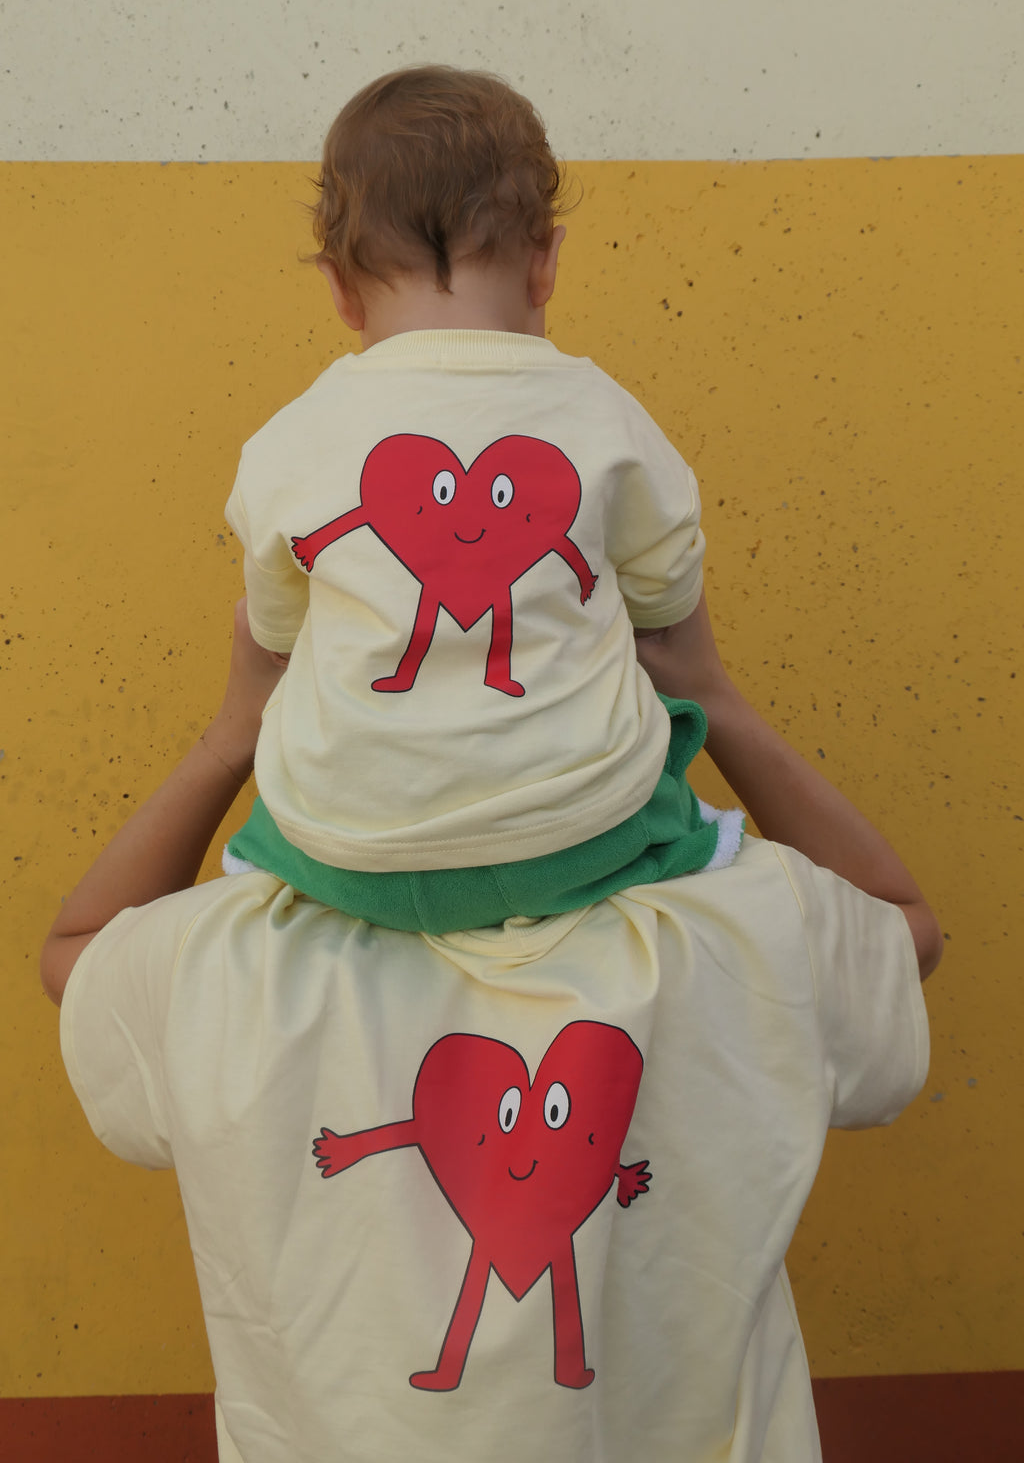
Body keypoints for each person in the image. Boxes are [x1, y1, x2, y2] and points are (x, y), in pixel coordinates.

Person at [42, 595, 942, 1463]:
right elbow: (902, 926)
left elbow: (73, 954)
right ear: (622, 723)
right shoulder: (730, 938)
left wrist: (232, 733)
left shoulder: (236, 963)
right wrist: (713, 696)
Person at [223, 64, 743, 935]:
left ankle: (267, 862)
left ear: (339, 289)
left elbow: (276, 632)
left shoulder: (288, 439)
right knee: (666, 765)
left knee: (287, 801)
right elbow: (664, 600)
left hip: (350, 857)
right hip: (578, 844)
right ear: (545, 262)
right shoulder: (605, 413)